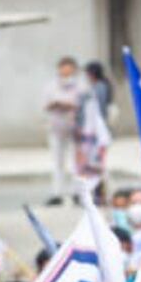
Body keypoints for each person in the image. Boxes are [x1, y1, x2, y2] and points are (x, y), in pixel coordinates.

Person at [43, 57, 88, 203]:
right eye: (63, 68)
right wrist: (57, 104)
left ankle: (77, 193)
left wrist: (69, 105)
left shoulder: (81, 86)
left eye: (69, 68)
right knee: (57, 162)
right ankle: (57, 193)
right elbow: (46, 104)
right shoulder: (51, 86)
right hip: (56, 128)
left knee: (76, 163)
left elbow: (83, 104)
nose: (66, 71)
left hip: (75, 129)